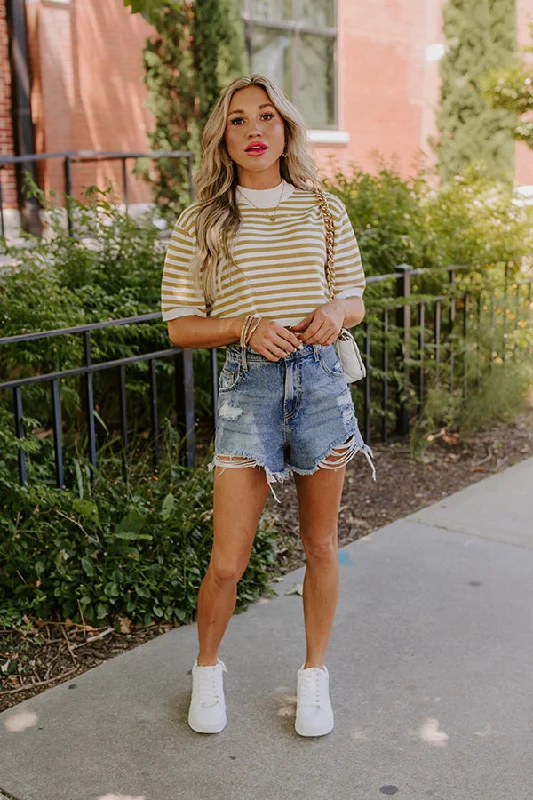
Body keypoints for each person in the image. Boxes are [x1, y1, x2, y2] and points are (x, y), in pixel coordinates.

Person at [161, 74, 374, 738]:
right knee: (228, 558)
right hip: (248, 386)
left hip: (317, 383)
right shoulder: (203, 221)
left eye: (265, 118)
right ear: (221, 140)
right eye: (236, 121)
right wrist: (243, 325)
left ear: (286, 130)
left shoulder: (323, 209)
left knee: (319, 544)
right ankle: (206, 668)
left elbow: (354, 300)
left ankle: (313, 678)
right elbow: (179, 324)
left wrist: (336, 309)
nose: (253, 131)